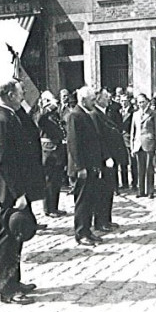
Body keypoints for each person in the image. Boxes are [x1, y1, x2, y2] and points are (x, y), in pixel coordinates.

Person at [0, 80, 42, 305]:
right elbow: (4, 161)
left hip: (16, 187)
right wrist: (18, 193)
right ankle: (7, 289)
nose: (24, 95)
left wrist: (25, 108)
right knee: (8, 239)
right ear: (9, 95)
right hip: (10, 190)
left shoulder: (11, 114)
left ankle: (15, 281)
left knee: (16, 236)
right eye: (20, 92)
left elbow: (31, 132)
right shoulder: (1, 119)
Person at [67, 86, 105, 247]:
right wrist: (80, 167)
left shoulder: (85, 114)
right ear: (83, 100)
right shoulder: (75, 116)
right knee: (82, 202)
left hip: (90, 166)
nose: (94, 103)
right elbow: (74, 144)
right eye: (92, 100)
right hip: (82, 167)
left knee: (89, 199)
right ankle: (81, 233)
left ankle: (87, 231)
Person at [92, 88, 126, 231]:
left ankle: (107, 219)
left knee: (109, 190)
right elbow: (98, 138)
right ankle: (101, 222)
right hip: (104, 159)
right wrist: (106, 156)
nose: (108, 99)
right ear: (98, 98)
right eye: (106, 97)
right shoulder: (95, 114)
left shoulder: (105, 113)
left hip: (111, 157)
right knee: (103, 192)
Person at [36, 91, 67, 217]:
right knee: (49, 181)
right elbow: (39, 120)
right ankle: (48, 208)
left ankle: (55, 206)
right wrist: (48, 106)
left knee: (56, 180)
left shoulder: (54, 115)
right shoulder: (41, 114)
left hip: (58, 149)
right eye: (48, 100)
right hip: (48, 150)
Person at [130, 93, 156, 198]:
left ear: (147, 102)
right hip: (138, 144)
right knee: (140, 169)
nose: (141, 104)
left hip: (149, 143)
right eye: (139, 102)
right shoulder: (135, 114)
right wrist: (132, 146)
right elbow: (133, 131)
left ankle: (150, 191)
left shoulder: (154, 114)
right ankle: (141, 191)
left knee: (149, 169)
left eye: (143, 102)